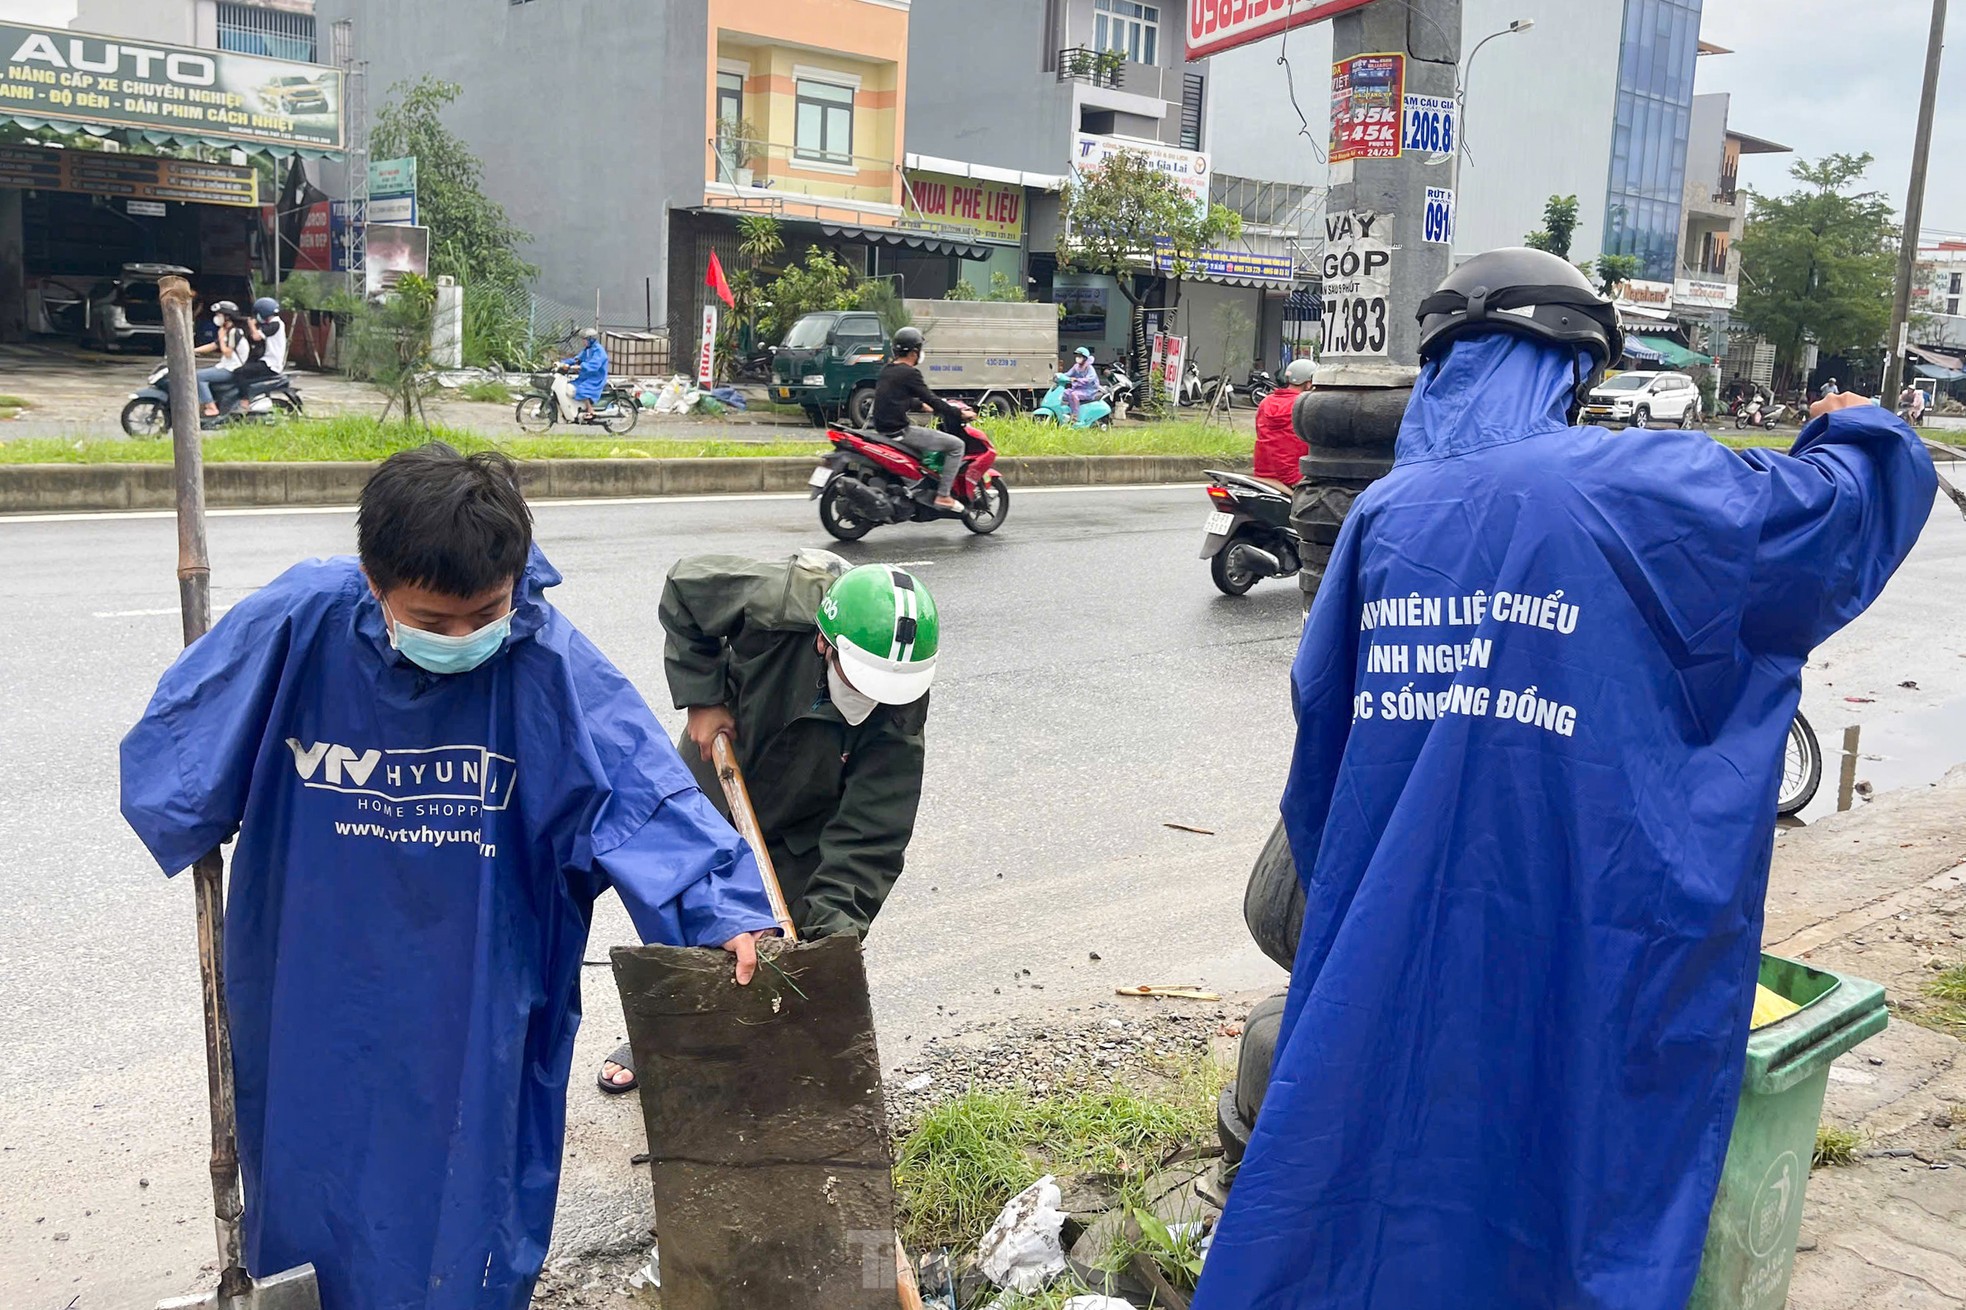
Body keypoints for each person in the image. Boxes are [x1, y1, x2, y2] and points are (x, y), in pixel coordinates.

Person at [1192, 248, 1936, 1310]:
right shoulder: (1639, 486)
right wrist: (1860, 427)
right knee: (1562, 1182)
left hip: (1394, 946)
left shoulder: (1382, 520)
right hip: (1579, 936)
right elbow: (1826, 518)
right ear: (1574, 371)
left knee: (1378, 1185)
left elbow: (1321, 763)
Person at [120, 444, 777, 1310]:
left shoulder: (544, 659)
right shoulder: (300, 622)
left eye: (486, 613)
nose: (466, 639)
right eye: (433, 620)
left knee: (470, 1212)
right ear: (372, 578)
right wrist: (198, 788)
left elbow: (646, 799)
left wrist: (724, 912)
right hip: (312, 984)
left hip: (480, 992)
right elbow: (172, 765)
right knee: (310, 1190)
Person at [599, 552, 938, 1092]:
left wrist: (830, 948)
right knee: (697, 899)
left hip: (810, 792)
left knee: (790, 928)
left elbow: (873, 829)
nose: (873, 698)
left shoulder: (899, 697)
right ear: (824, 641)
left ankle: (765, 1029)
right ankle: (662, 1030)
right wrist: (702, 697)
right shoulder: (782, 600)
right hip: (724, 758)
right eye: (862, 680)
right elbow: (686, 588)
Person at [872, 325, 968, 511]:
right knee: (957, 446)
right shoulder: (910, 373)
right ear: (915, 352)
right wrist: (959, 413)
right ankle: (943, 496)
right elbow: (932, 399)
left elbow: (896, 398)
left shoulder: (887, 370)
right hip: (900, 432)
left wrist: (919, 405)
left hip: (882, 430)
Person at [1252, 357, 1316, 488]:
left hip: (1262, 474)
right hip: (1295, 476)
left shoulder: (1266, 402)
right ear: (1309, 384)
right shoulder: (1305, 405)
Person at [220, 297, 288, 405]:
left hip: (270, 364)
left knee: (239, 372)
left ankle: (245, 399)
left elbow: (256, 336)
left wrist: (251, 325)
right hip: (265, 361)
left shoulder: (276, 324)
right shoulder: (271, 324)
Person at [195, 300, 248, 417]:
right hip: (224, 366)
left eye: (219, 315)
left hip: (232, 369)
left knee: (198, 376)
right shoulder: (226, 331)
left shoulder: (234, 332)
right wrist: (192, 351)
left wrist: (221, 336)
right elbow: (213, 346)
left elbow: (227, 352)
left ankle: (211, 407)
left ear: (227, 317)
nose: (216, 318)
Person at [557, 327, 609, 422]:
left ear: (591, 339)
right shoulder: (587, 350)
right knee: (569, 387)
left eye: (584, 340)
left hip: (595, 378)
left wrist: (581, 367)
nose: (583, 342)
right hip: (585, 376)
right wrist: (564, 363)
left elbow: (594, 365)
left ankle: (590, 411)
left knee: (581, 389)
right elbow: (577, 359)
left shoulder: (599, 351)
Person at [1063, 345, 1099, 420]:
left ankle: (1075, 415)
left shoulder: (1089, 368)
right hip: (1077, 388)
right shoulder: (1076, 366)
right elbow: (1068, 374)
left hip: (1088, 390)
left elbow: (1089, 379)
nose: (1077, 358)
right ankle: (1067, 412)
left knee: (1074, 395)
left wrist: (1077, 379)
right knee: (1064, 393)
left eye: (1080, 356)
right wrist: (1059, 376)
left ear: (1085, 358)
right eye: (1077, 356)